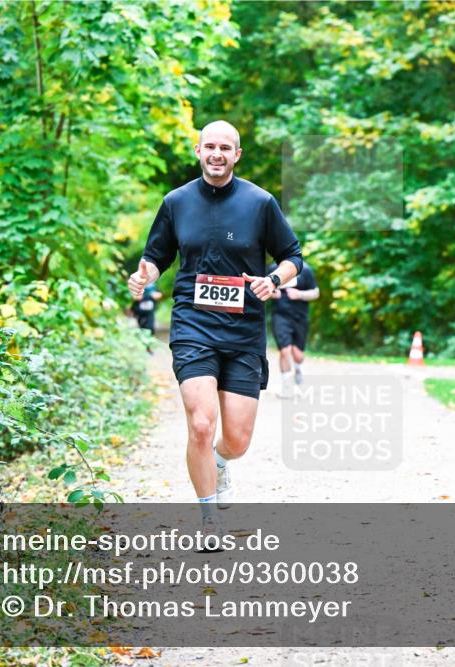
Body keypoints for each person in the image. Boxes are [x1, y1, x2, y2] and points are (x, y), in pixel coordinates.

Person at [127, 120, 302, 537]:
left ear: (237, 155)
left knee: (237, 440)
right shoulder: (176, 201)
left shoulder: (260, 203)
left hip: (243, 330)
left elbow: (293, 257)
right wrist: (144, 275)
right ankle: (208, 519)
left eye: (226, 147)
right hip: (192, 323)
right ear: (198, 151)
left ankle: (221, 463)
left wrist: (273, 279)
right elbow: (156, 257)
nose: (217, 153)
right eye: (210, 146)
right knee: (201, 424)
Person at [268, 261, 320, 398]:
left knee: (298, 355)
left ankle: (298, 369)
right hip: (280, 316)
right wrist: (274, 294)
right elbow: (265, 290)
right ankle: (287, 387)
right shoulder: (274, 269)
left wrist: (300, 294)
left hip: (300, 317)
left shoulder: (306, 269)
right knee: (285, 351)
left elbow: (316, 293)